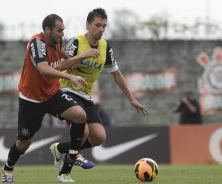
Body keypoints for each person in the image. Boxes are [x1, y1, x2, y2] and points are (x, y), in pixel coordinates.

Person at [49, 8, 148, 182]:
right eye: (97, 25)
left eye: (104, 26)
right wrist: (83, 56)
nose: (101, 29)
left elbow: (117, 75)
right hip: (66, 91)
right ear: (88, 25)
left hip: (86, 96)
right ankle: (64, 173)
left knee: (99, 137)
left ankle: (61, 149)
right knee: (84, 130)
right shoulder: (76, 43)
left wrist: (131, 98)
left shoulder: (106, 49)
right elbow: (60, 66)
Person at [1, 14, 99, 183]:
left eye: (63, 30)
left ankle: (73, 156)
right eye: (59, 30)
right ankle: (8, 168)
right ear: (47, 30)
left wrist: (73, 62)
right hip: (31, 100)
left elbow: (62, 56)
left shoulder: (57, 41)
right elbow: (43, 68)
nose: (62, 34)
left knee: (80, 116)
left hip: (52, 94)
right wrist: (70, 76)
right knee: (24, 143)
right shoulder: (37, 43)